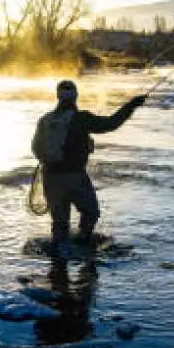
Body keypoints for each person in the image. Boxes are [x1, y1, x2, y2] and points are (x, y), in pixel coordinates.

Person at [32, 80, 146, 250]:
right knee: (91, 212)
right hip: (75, 176)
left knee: (59, 222)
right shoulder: (81, 119)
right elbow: (111, 123)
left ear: (58, 96)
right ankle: (82, 244)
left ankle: (58, 263)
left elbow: (35, 149)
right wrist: (131, 105)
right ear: (76, 96)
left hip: (50, 177)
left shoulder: (44, 120)